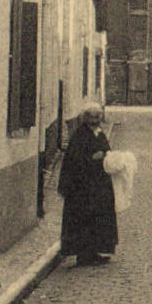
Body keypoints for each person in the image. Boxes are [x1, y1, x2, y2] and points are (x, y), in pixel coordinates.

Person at [57, 100, 118, 266]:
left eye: (98, 116)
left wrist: (108, 156)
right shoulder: (80, 135)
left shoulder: (99, 132)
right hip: (82, 187)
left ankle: (94, 251)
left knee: (97, 217)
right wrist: (92, 158)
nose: (95, 120)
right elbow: (74, 160)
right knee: (84, 219)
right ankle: (84, 254)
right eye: (92, 116)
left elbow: (106, 150)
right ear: (86, 118)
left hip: (97, 184)